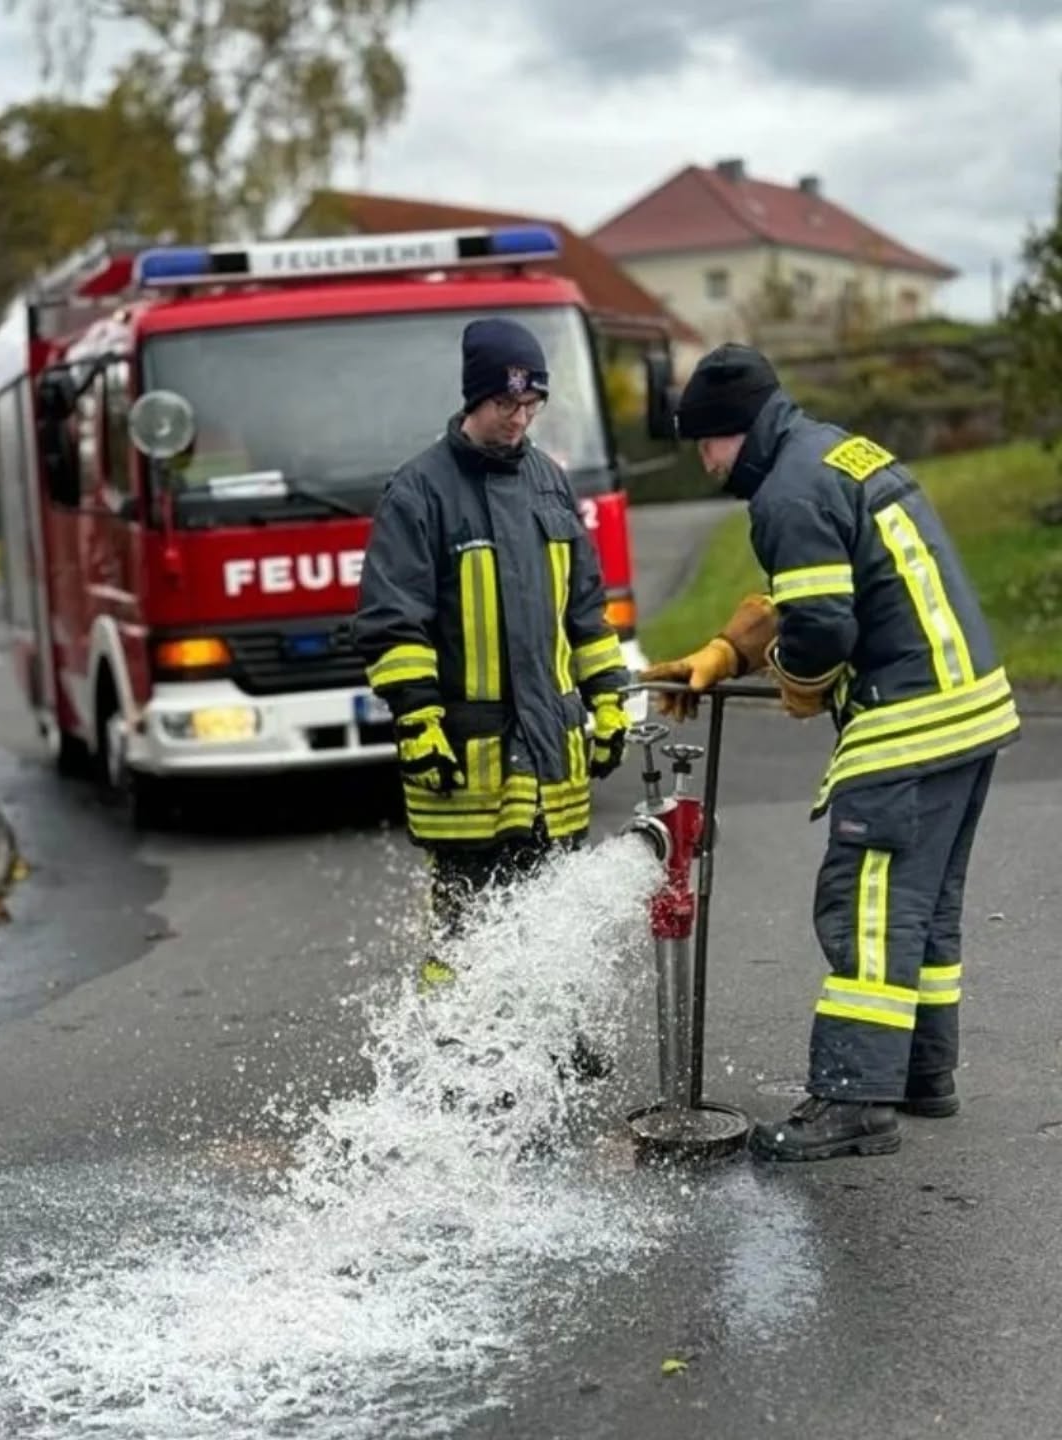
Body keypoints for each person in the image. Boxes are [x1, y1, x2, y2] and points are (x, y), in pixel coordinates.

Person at [642, 343, 1020, 1162]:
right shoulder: (835, 452)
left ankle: (855, 1099)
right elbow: (819, 591)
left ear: (734, 430)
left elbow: (821, 627)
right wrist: (728, 653)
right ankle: (922, 1074)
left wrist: (796, 676)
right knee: (921, 907)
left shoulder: (785, 493)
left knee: (866, 906)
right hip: (967, 710)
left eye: (704, 443)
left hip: (907, 722)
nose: (704, 461)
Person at [354, 317, 630, 1071]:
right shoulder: (419, 493)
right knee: (465, 920)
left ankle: (554, 1038)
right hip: (468, 762)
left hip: (551, 758)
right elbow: (392, 621)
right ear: (475, 398)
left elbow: (586, 612)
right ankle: (456, 1046)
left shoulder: (550, 481)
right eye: (507, 404)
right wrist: (418, 722)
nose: (520, 418)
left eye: (532, 403)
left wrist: (610, 699)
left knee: (554, 912)